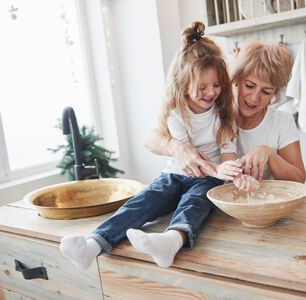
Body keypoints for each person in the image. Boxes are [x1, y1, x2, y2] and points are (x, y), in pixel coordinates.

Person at [59, 22, 242, 270]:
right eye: (203, 87)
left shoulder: (224, 114)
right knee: (143, 202)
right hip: (176, 174)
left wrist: (228, 172)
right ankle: (92, 245)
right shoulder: (177, 114)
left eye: (217, 85)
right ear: (183, 84)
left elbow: (227, 156)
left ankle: (170, 241)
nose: (211, 92)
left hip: (207, 179)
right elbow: (189, 157)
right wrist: (217, 169)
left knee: (195, 202)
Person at [144, 39, 306, 186]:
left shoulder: (281, 122)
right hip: (209, 199)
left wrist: (269, 154)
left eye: (266, 91)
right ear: (235, 80)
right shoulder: (213, 110)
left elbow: (299, 179)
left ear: (275, 93)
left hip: (256, 204)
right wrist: (176, 147)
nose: (255, 98)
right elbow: (150, 140)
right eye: (249, 86)